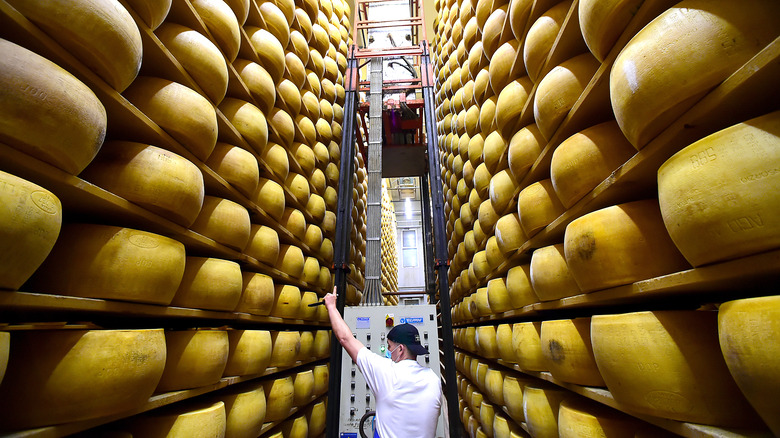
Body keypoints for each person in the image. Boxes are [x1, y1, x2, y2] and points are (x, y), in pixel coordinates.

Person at [323, 288, 443, 438]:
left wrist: (331, 307)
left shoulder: (386, 372)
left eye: (389, 346)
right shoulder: (433, 379)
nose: (387, 351)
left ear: (400, 349)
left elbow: (345, 339)